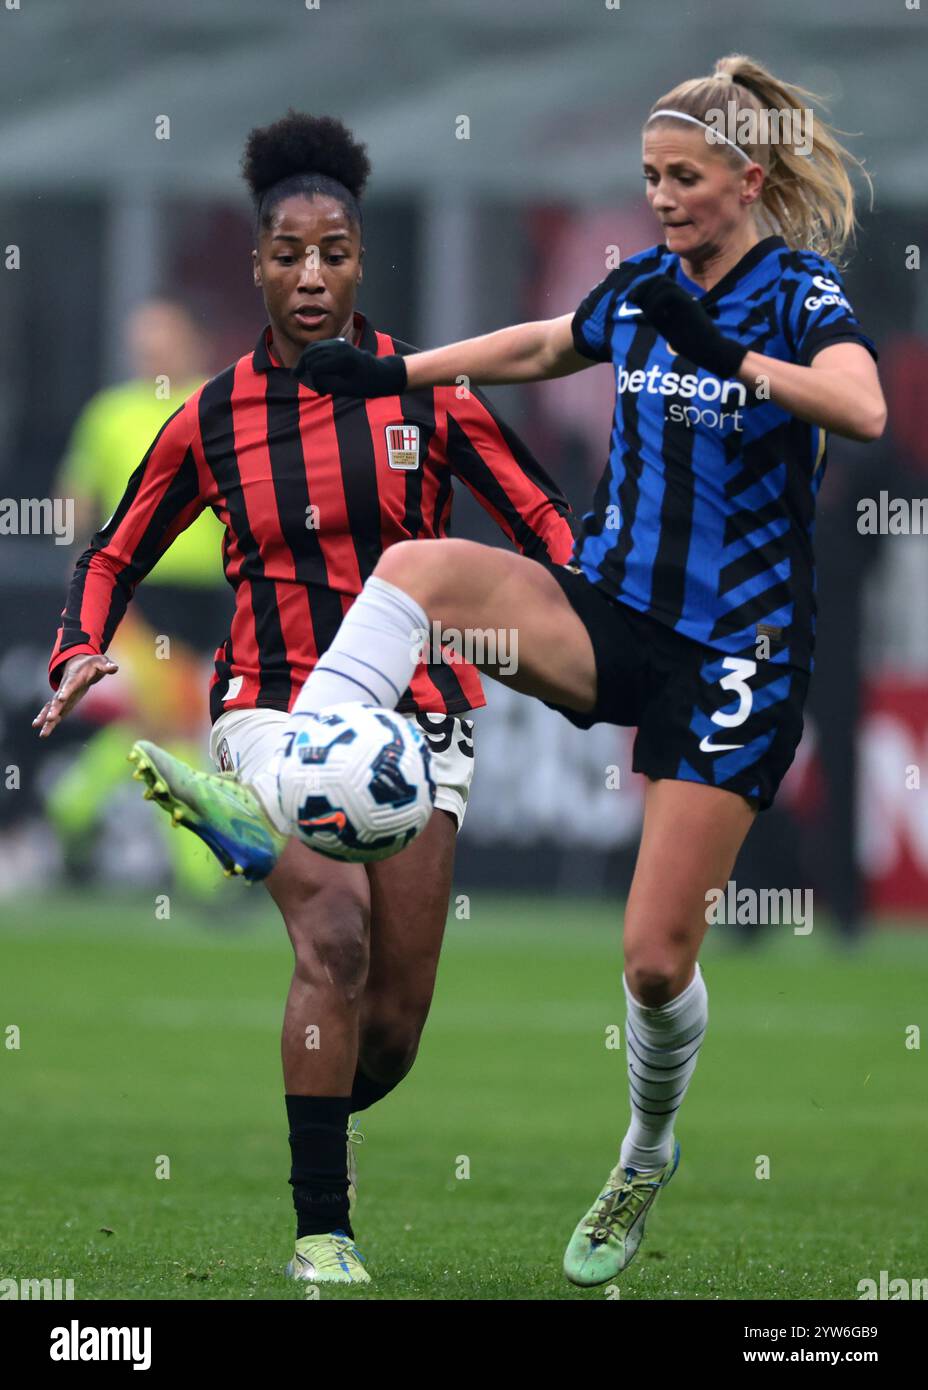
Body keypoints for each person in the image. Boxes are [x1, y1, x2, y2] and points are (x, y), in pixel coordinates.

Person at [120, 56, 887, 1289]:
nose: (662, 199)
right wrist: (396, 374)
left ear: (747, 180)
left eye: (683, 179)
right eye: (648, 179)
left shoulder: (798, 295)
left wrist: (735, 360)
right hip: (613, 612)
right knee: (424, 571)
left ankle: (647, 1144)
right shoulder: (642, 284)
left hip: (737, 658)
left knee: (652, 958)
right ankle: (288, 773)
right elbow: (541, 343)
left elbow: (862, 412)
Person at [33, 112, 575, 1285]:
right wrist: (78, 643)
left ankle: (315, 1063)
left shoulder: (428, 395)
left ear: (361, 261)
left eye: (333, 252)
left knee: (388, 1027)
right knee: (330, 933)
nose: (312, 274)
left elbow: (543, 516)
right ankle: (321, 1229)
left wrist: (597, 623)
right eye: (289, 254)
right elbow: (113, 551)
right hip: (270, 701)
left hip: (417, 719)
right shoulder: (211, 417)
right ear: (257, 265)